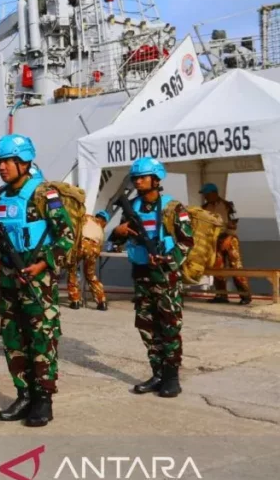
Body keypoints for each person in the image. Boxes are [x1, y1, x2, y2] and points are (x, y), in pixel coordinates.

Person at [0, 134, 74, 427]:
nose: (2, 167)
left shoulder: (45, 194)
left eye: (8, 161)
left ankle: (43, 400)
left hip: (37, 281)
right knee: (13, 338)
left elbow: (67, 237)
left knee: (41, 339)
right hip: (9, 281)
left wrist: (44, 263)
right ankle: (23, 394)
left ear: (24, 162)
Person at [110, 157, 194, 397]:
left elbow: (187, 242)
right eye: (136, 177)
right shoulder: (132, 207)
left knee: (169, 326)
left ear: (157, 179)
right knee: (146, 326)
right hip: (142, 275)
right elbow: (117, 240)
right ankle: (157, 372)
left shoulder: (172, 208)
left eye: (143, 177)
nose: (138, 181)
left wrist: (168, 260)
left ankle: (171, 377)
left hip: (165, 276)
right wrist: (118, 232)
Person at [201, 183, 251, 305]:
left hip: (229, 238)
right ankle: (221, 295)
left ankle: (245, 295)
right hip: (215, 239)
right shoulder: (204, 207)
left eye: (207, 194)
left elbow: (234, 222)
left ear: (214, 193)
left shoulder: (227, 205)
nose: (205, 197)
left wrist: (229, 237)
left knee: (236, 267)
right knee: (217, 267)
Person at [66, 210, 110, 310]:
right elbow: (100, 245)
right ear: (105, 221)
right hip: (94, 248)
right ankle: (101, 301)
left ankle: (75, 300)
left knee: (72, 270)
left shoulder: (87, 217)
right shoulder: (101, 229)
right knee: (90, 275)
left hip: (83, 244)